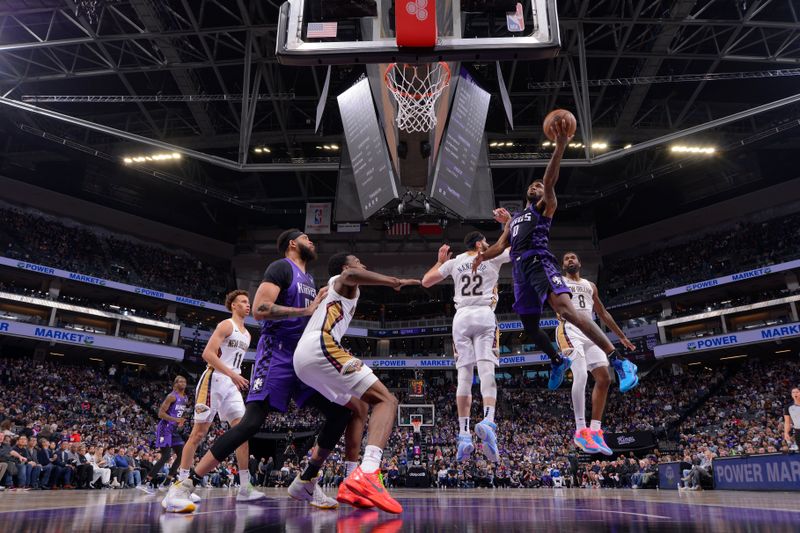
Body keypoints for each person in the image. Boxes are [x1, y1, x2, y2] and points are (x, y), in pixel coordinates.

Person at [163, 230, 363, 512]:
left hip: (301, 357)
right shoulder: (281, 267)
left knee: (341, 411)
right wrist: (304, 311)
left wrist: (316, 307)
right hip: (276, 354)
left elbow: (306, 315)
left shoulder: (308, 280)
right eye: (306, 237)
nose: (312, 241)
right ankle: (184, 485)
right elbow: (259, 309)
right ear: (293, 243)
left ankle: (306, 480)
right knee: (251, 423)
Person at [473, 117, 638, 391]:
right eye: (534, 185)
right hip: (520, 272)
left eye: (539, 185)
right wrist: (481, 256)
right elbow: (500, 247)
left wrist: (560, 147)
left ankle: (619, 360)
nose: (537, 186)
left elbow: (549, 180)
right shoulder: (514, 220)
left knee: (567, 312)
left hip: (540, 262)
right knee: (530, 326)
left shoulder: (544, 206)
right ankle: (557, 360)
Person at [292, 251, 419, 514]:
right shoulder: (342, 278)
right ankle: (370, 470)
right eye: (358, 261)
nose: (362, 264)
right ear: (344, 267)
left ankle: (349, 478)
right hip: (321, 345)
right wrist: (392, 281)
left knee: (359, 408)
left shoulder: (335, 289)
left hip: (306, 360)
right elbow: (350, 274)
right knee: (387, 400)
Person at [163, 290, 264, 511]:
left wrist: (234, 376)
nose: (248, 305)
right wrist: (233, 374)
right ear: (233, 306)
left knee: (243, 431)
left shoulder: (247, 334)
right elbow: (208, 354)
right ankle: (181, 482)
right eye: (244, 302)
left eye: (249, 302)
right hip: (214, 380)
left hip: (231, 383)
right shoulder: (226, 325)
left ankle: (245, 486)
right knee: (198, 434)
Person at [422, 233, 510, 463]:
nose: (490, 245)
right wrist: (507, 225)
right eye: (486, 242)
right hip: (484, 314)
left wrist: (440, 261)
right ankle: (488, 420)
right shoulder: (491, 257)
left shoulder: (455, 262)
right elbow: (516, 248)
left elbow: (426, 281)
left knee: (464, 375)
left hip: (461, 318)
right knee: (487, 371)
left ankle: (464, 435)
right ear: (480, 244)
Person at [559, 252, 638, 455]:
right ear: (562, 265)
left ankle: (595, 431)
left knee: (604, 378)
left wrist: (621, 336)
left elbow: (602, 313)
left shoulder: (590, 285)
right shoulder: (558, 281)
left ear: (579, 262)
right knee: (581, 375)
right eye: (566, 258)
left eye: (573, 258)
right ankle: (580, 430)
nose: (570, 260)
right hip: (570, 329)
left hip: (591, 330)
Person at [138, 376, 188, 494]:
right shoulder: (171, 396)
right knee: (165, 456)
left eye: (185, 381)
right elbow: (160, 414)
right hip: (165, 428)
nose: (183, 383)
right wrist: (175, 419)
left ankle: (166, 482)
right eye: (180, 381)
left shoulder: (185, 398)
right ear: (175, 384)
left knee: (182, 454)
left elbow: (177, 413)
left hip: (174, 429)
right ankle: (145, 482)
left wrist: (179, 421)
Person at [784, 387, 800, 451]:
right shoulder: (788, 407)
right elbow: (787, 422)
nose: (795, 394)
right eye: (793, 392)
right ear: (791, 394)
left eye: (797, 392)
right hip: (798, 431)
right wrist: (786, 433)